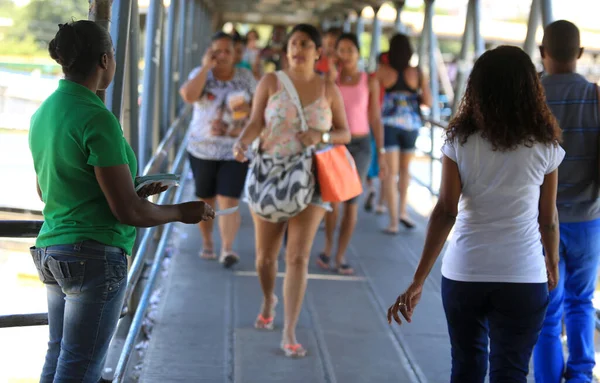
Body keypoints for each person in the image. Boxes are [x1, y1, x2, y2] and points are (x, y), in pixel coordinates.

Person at [28, 21, 215, 382]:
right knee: (81, 367)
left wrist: (132, 189)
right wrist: (182, 212)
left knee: (59, 355)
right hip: (94, 257)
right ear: (105, 59)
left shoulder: (44, 112)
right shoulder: (99, 119)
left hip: (53, 249)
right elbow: (126, 211)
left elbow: (48, 190)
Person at [387, 46, 564, 383]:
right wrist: (552, 263)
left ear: (477, 88)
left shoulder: (460, 142)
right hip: (523, 274)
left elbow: (444, 212)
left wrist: (418, 279)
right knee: (510, 372)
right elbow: (548, 219)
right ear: (530, 89)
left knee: (466, 367)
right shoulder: (545, 147)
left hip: (465, 272)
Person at [233, 23, 350, 358]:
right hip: (270, 174)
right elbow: (255, 121)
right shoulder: (271, 82)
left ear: (318, 52)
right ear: (286, 52)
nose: (297, 49)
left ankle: (289, 331)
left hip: (312, 178)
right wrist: (242, 143)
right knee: (264, 258)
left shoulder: (329, 88)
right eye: (293, 44)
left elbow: (345, 132)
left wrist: (321, 136)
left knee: (297, 256)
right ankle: (269, 298)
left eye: (305, 44)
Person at [533, 20, 600, 383]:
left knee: (547, 309)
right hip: (590, 218)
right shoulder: (596, 95)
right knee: (581, 302)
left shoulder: (532, 97)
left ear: (543, 53)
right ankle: (580, 376)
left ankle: (546, 376)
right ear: (578, 54)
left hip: (541, 221)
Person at [179, 32, 256, 268]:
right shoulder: (201, 75)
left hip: (235, 150)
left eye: (227, 51)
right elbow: (189, 96)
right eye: (217, 51)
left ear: (235, 55)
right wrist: (205, 68)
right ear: (210, 53)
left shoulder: (245, 78)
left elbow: (256, 111)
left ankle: (227, 248)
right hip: (202, 150)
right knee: (206, 198)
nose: (222, 55)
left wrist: (237, 127)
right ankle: (207, 241)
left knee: (228, 197)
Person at [316, 33, 386, 275]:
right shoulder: (328, 79)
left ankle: (340, 254)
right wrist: (331, 78)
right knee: (333, 201)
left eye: (349, 50)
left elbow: (375, 117)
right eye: (340, 50)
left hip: (361, 145)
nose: (345, 55)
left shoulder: (369, 81)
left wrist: (382, 151)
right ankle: (327, 248)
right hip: (335, 143)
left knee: (352, 203)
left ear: (358, 53)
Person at [377, 34, 432, 234]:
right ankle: (403, 212)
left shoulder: (382, 72)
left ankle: (392, 222)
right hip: (411, 125)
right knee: (405, 171)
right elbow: (428, 101)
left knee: (390, 174)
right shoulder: (417, 73)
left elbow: (375, 101)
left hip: (389, 125)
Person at [364, 51, 389, 214]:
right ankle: (381, 202)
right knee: (386, 163)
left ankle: (370, 187)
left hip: (367, 123)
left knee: (368, 157)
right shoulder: (392, 80)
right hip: (385, 124)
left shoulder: (370, 77)